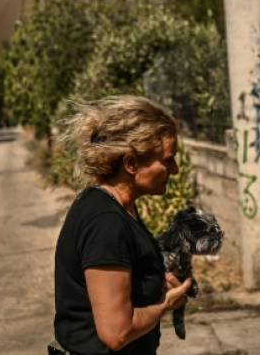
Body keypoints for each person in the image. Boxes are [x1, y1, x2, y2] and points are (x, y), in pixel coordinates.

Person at [52, 96, 192, 355]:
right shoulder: (106, 223)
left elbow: (121, 274)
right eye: (167, 160)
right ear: (131, 164)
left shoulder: (115, 205)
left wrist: (153, 282)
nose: (175, 169)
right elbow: (117, 332)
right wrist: (164, 303)